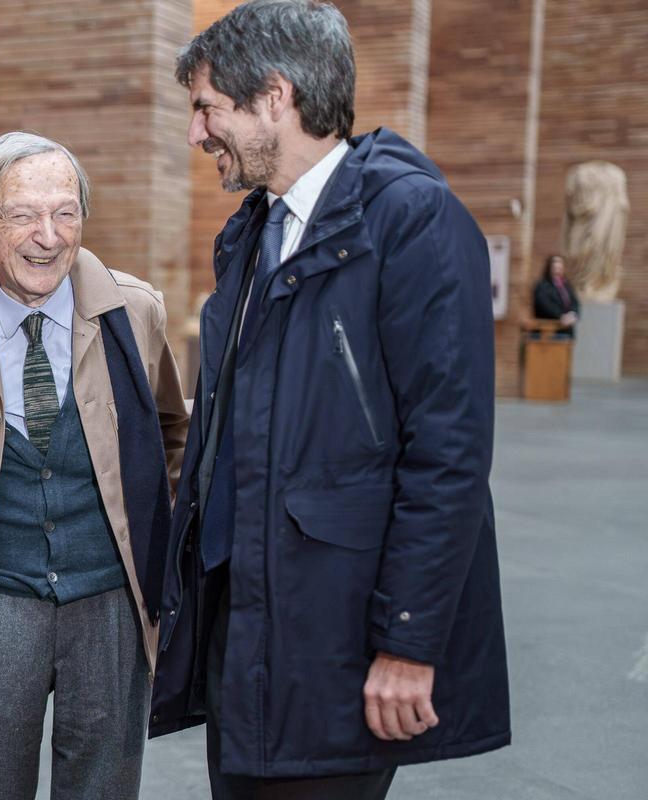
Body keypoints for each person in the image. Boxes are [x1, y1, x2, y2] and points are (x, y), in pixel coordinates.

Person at [150, 2, 511, 798]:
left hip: (339, 642)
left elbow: (447, 457)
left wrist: (408, 645)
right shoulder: (253, 234)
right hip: (250, 630)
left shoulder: (412, 223)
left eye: (207, 107)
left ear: (275, 97)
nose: (195, 133)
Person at [0, 131, 189, 800]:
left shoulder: (135, 314)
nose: (48, 235)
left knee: (102, 787)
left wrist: (174, 550)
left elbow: (173, 434)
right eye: (23, 214)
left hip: (109, 599)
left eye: (66, 212)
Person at [534, 254, 581, 336]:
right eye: (555, 268)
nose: (558, 270)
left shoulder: (566, 285)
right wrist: (560, 316)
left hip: (567, 330)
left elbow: (575, 302)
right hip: (549, 331)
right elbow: (545, 304)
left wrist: (573, 314)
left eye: (560, 267)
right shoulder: (543, 286)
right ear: (549, 268)